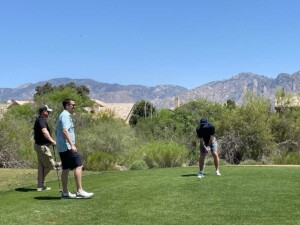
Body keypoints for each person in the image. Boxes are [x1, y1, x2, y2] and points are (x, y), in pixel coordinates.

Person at [56, 98, 94, 199]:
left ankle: (65, 193)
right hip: (67, 146)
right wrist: (72, 144)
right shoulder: (65, 115)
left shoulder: (63, 115)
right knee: (78, 165)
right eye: (73, 105)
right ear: (67, 106)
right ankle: (79, 191)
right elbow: (65, 131)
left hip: (62, 147)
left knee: (66, 168)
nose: (74, 107)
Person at [34, 105, 60, 191]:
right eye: (47, 111)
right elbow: (44, 131)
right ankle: (40, 180)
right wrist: (52, 140)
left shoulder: (41, 120)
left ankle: (40, 185)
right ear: (43, 112)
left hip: (39, 146)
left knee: (41, 166)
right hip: (42, 147)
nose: (49, 113)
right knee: (50, 165)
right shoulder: (41, 120)